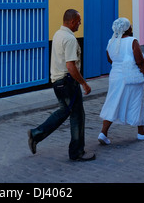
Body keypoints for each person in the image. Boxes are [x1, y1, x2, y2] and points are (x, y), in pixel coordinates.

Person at [28, 9, 95, 161]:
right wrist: (84, 83)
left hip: (58, 82)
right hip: (68, 82)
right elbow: (71, 66)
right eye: (78, 21)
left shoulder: (58, 34)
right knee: (77, 116)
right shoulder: (70, 39)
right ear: (71, 22)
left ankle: (36, 134)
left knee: (64, 111)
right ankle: (76, 152)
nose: (79, 24)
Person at [98, 17, 144, 145]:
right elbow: (140, 62)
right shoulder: (132, 41)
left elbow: (110, 59)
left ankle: (103, 132)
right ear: (127, 29)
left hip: (115, 77)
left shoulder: (111, 42)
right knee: (137, 102)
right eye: (130, 26)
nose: (131, 27)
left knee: (113, 101)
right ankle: (141, 132)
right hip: (132, 77)